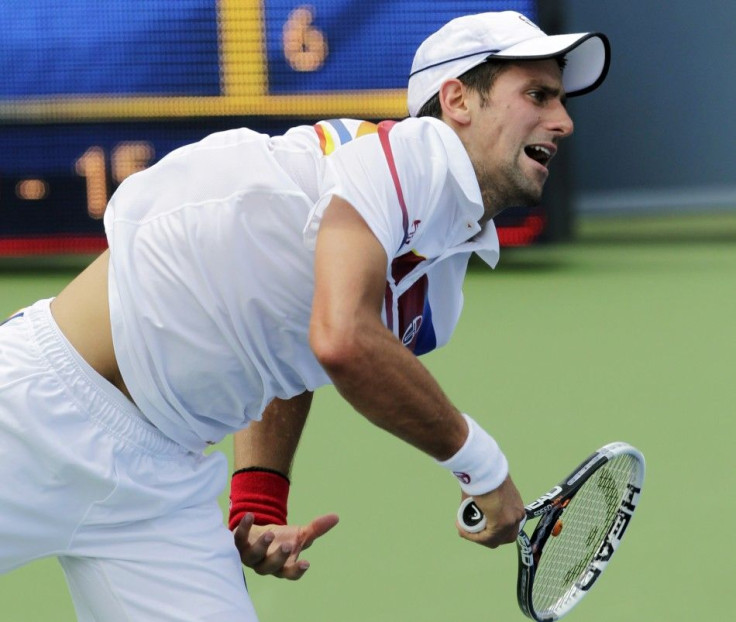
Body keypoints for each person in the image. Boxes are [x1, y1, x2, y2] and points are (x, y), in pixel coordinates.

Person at [0, 10, 610, 622]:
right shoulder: (413, 155)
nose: (564, 121)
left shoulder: (437, 299)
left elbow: (292, 352)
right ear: (456, 101)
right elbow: (341, 339)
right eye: (537, 95)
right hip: (35, 412)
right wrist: (483, 467)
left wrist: (258, 501)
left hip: (158, 490)